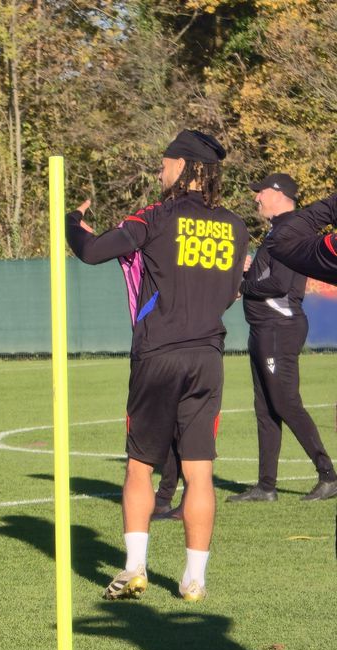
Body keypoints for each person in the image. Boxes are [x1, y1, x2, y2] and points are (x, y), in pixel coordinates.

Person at [67, 130, 248, 602]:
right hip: (208, 357)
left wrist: (72, 223)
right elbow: (233, 291)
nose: (159, 171)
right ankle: (194, 580)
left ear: (185, 167)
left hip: (158, 356)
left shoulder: (155, 215)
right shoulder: (236, 225)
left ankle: (134, 569)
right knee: (200, 471)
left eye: (165, 163)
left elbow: (91, 252)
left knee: (140, 465)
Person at [228, 174, 336, 503]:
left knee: (285, 402)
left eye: (259, 191)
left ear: (277, 193)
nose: (255, 198)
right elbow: (271, 278)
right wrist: (249, 272)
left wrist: (242, 287)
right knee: (266, 408)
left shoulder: (292, 230)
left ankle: (328, 475)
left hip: (279, 327)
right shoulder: (278, 230)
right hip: (264, 328)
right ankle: (266, 485)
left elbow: (278, 286)